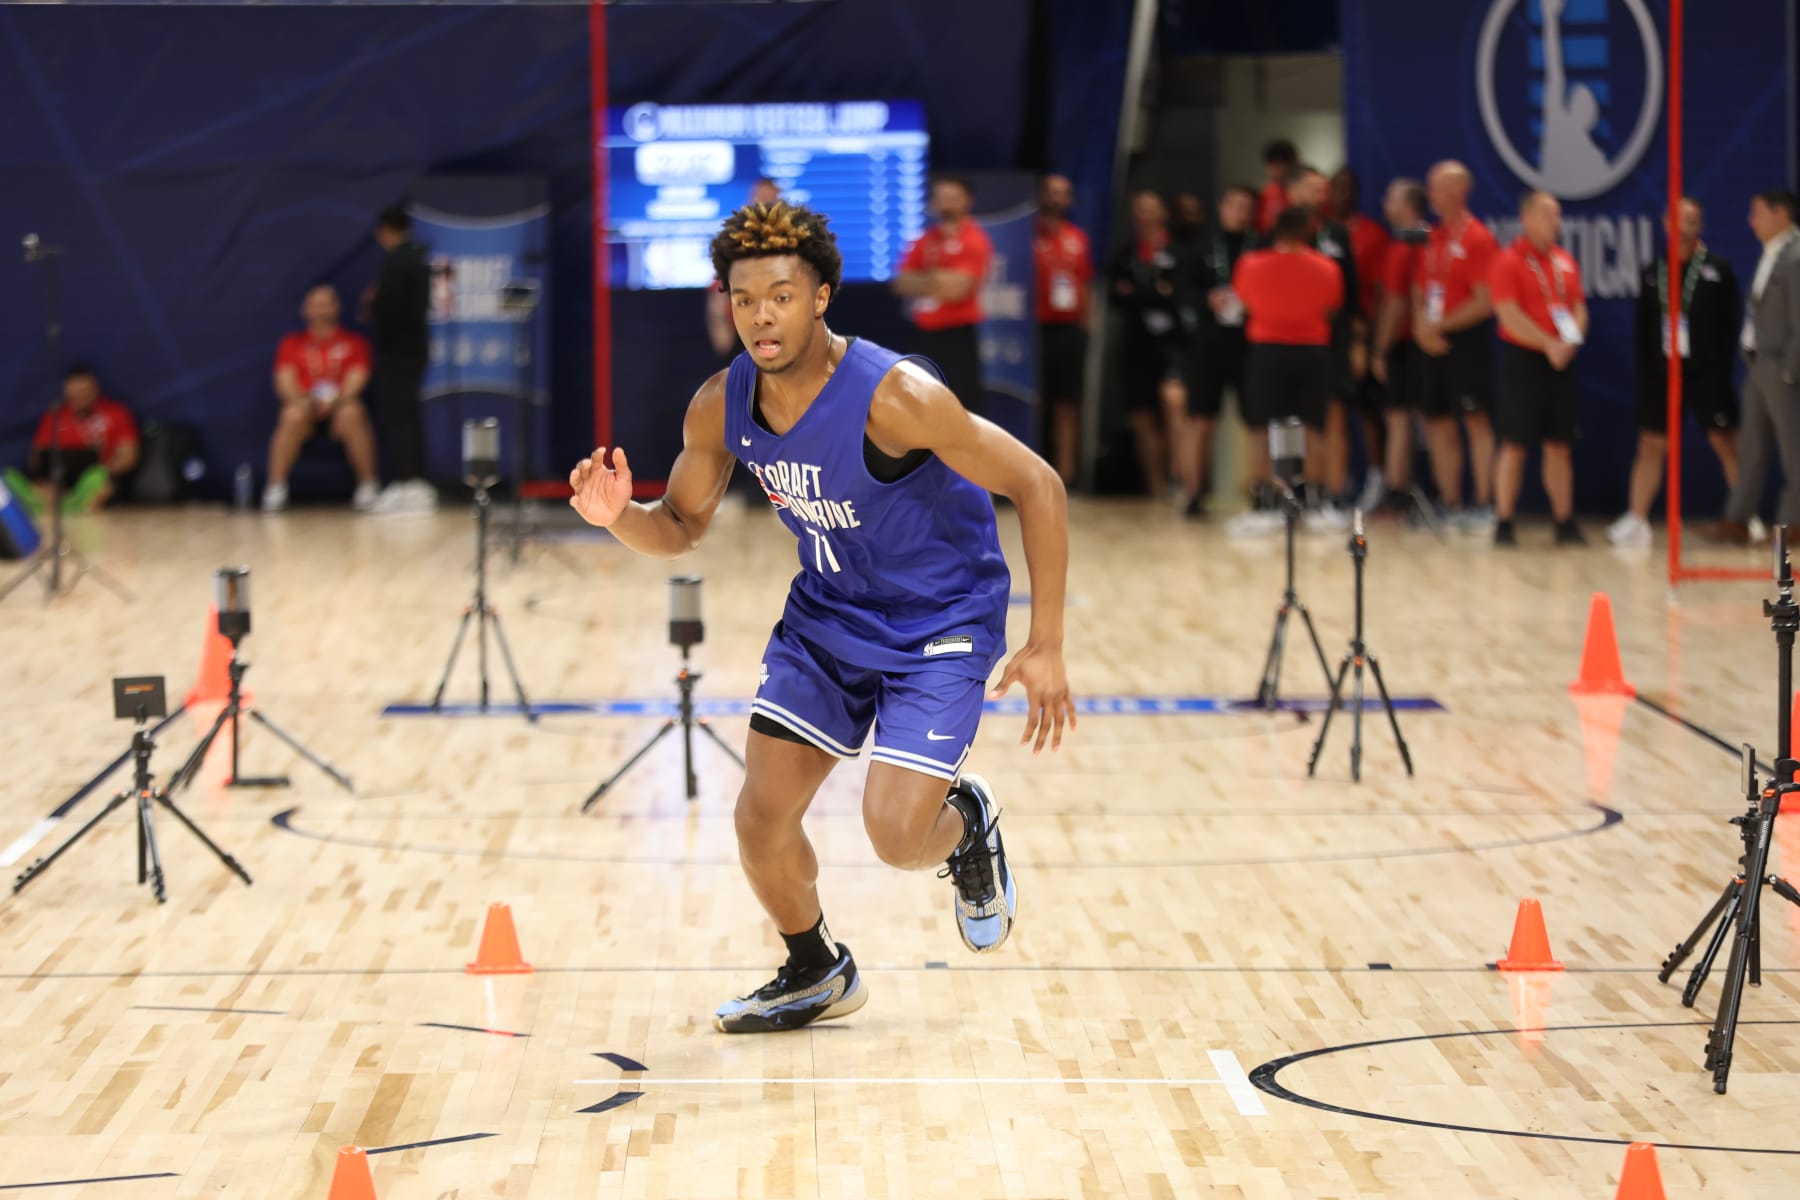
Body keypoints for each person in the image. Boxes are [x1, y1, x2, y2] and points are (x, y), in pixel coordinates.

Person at [568, 200, 1073, 1033]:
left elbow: (1038, 485)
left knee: (895, 837)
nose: (761, 315)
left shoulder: (896, 396)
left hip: (938, 622)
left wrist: (1045, 641)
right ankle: (816, 969)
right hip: (830, 618)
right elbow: (682, 525)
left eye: (781, 295)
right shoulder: (719, 404)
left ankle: (966, 822)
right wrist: (618, 516)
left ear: (822, 298)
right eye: (743, 298)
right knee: (760, 820)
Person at [1609, 197, 1741, 547]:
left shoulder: (1717, 269)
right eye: (1681, 220)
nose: (1687, 226)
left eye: (1694, 220)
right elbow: (1643, 328)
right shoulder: (1654, 271)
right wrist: (1648, 372)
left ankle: (1744, 517)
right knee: (1651, 445)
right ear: (1667, 224)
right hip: (1661, 375)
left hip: (1707, 374)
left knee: (1726, 441)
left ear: (1702, 226)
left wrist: (1719, 370)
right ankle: (1636, 519)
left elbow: (1730, 326)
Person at [1489, 191, 1588, 546]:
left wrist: (1570, 342)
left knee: (1559, 445)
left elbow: (1578, 307)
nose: (1556, 222)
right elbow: (1508, 314)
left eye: (1558, 215)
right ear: (1527, 219)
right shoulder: (1508, 260)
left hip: (1561, 360)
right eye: (1549, 215)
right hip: (1524, 360)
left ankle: (1564, 521)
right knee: (1515, 444)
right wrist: (1548, 344)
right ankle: (1504, 521)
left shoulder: (1565, 261)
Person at [1414, 160, 1500, 533]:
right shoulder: (1431, 236)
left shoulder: (1478, 237)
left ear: (1458, 192)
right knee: (1437, 421)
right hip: (1431, 339)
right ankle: (1450, 502)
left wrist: (1439, 325)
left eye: (1437, 187)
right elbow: (1419, 289)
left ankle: (1484, 504)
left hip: (1466, 339)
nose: (1430, 194)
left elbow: (1485, 300)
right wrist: (1421, 327)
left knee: (1475, 420)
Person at [1233, 206, 1344, 489]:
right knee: (1313, 425)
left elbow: (1244, 304)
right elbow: (1331, 307)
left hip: (1266, 350)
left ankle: (1262, 495)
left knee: (1260, 426)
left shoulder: (1250, 264)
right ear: (1309, 230)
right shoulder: (1327, 267)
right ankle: (1314, 495)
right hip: (1311, 350)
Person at [1277, 166, 1358, 522]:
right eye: (1313, 189)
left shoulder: (1335, 232)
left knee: (1333, 416)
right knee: (1288, 420)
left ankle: (1331, 495)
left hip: (1332, 341)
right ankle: (1290, 493)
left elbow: (1351, 291)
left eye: (1322, 190)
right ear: (1292, 192)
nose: (1320, 196)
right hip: (1287, 341)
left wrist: (1358, 340)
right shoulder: (1275, 235)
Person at [263, 286, 381, 512]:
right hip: (306, 408)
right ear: (305, 310)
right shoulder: (292, 343)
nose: (321, 310)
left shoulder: (354, 343)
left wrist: (336, 400)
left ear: (337, 307)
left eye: (326, 303)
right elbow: (284, 382)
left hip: (338, 407)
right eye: (315, 304)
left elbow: (357, 379)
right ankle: (275, 487)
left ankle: (368, 485)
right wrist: (302, 401)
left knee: (352, 412)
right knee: (291, 415)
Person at [1109, 190, 1191, 500]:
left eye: (1151, 209)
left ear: (1163, 214)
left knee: (1174, 405)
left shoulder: (1178, 251)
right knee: (1141, 416)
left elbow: (1177, 294)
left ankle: (1182, 480)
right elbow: (1119, 297)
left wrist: (1141, 292)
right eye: (1139, 209)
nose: (1145, 215)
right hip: (1135, 343)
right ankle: (1156, 487)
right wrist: (1154, 290)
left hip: (1172, 343)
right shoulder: (1126, 253)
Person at [894, 175, 993, 415]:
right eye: (941, 197)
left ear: (966, 201)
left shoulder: (974, 239)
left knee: (961, 408)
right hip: (924, 334)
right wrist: (938, 279)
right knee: (920, 406)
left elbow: (958, 290)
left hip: (957, 335)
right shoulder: (925, 240)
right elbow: (901, 283)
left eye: (952, 197)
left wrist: (924, 279)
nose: (946, 203)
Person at [1185, 184, 1256, 519]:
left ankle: (1261, 492)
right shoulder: (1201, 246)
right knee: (1201, 420)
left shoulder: (1259, 248)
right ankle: (1193, 493)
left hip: (1249, 343)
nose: (1239, 212)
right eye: (1234, 204)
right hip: (1209, 344)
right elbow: (1182, 292)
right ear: (1221, 206)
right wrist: (1206, 300)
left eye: (1246, 206)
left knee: (1255, 421)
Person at [365, 205, 436, 515]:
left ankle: (410, 483)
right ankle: (413, 482)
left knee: (400, 415)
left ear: (384, 230)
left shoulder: (396, 260)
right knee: (408, 413)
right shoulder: (418, 258)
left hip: (398, 351)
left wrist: (373, 304)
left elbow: (390, 309)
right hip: (415, 348)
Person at [1331, 167, 1392, 512]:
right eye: (1335, 188)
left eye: (1347, 188)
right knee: (1329, 412)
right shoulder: (1320, 230)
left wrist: (1370, 338)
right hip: (1326, 334)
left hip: (1363, 331)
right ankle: (1335, 482)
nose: (1341, 194)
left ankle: (1377, 478)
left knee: (1369, 410)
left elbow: (1382, 291)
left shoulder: (1373, 234)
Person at [4, 365, 139, 515]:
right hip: (57, 482)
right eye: (74, 395)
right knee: (9, 477)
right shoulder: (53, 416)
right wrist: (45, 477)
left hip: (95, 479)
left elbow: (128, 457)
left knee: (98, 481)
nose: (79, 398)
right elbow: (37, 457)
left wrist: (106, 469)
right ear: (66, 392)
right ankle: (50, 505)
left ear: (95, 390)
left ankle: (71, 506)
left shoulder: (116, 413)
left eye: (84, 393)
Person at [1370, 179, 1429, 507]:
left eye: (1391, 198)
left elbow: (1396, 302)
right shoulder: (1432, 239)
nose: (1384, 203)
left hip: (1406, 343)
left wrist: (1381, 348)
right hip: (1430, 341)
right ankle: (1433, 494)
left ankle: (1398, 491)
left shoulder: (1403, 246)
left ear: (1407, 206)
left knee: (1398, 418)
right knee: (1428, 419)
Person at [1033, 174, 1093, 486]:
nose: (1057, 198)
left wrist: (1086, 325)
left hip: (1068, 330)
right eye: (1052, 191)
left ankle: (1067, 476)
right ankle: (1033, 474)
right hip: (1035, 330)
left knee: (1067, 404)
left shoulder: (1077, 238)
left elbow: (1085, 283)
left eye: (1063, 193)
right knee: (1035, 403)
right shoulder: (1028, 236)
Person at [709, 178, 783, 367]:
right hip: (744, 342)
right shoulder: (734, 246)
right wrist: (723, 338)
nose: (764, 208)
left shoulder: (795, 249)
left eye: (770, 202)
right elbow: (718, 298)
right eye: (759, 200)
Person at [1257, 140, 1298, 236]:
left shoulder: (1303, 192)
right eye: (1273, 166)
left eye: (1282, 165)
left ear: (1294, 163)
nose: (1278, 171)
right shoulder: (1266, 193)